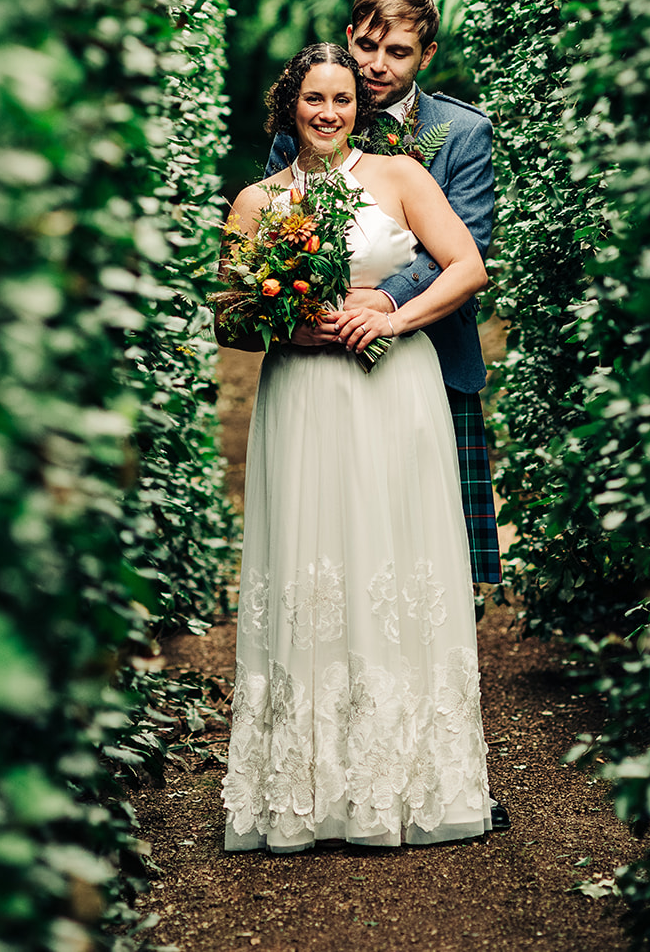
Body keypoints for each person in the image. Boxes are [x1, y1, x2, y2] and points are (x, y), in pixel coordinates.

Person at [218, 43, 492, 852]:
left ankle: (405, 778)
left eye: (342, 99)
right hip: (304, 395)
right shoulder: (258, 199)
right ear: (290, 106)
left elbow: (467, 266)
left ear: (357, 107)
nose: (330, 113)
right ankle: (307, 785)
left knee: (393, 555)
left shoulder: (402, 178)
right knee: (312, 562)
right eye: (314, 100)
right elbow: (231, 316)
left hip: (394, 391)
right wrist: (288, 324)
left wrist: (393, 317)